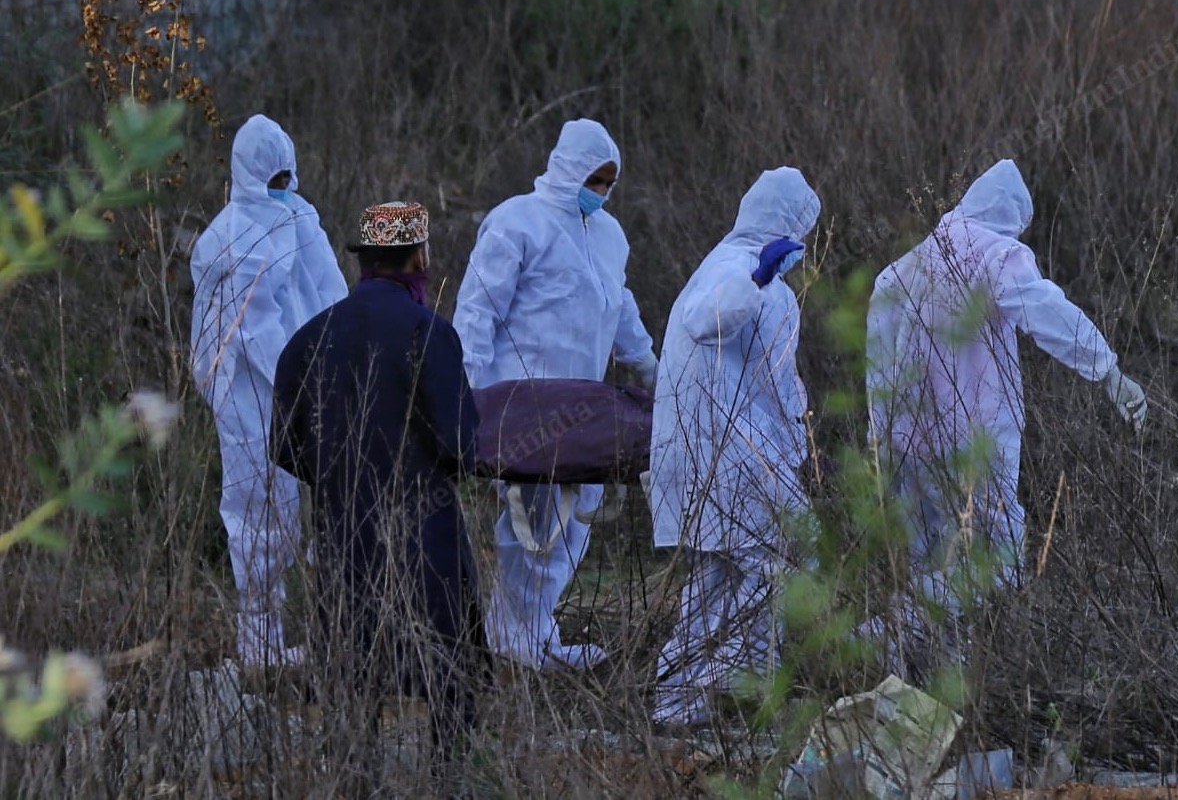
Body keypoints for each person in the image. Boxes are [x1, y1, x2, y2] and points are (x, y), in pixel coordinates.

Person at [865, 158, 1148, 667]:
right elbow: (1042, 308)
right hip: (977, 442)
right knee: (997, 561)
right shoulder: (995, 253)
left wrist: (883, 448)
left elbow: (877, 375)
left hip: (908, 450)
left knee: (934, 559)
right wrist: (1106, 368)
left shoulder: (897, 274)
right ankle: (890, 629)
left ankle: (929, 686)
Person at [271, 201, 489, 749]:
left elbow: (284, 446)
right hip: (426, 542)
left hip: (344, 539)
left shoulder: (308, 339)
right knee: (448, 677)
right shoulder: (429, 333)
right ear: (419, 257)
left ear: (364, 262)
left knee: (352, 674)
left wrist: (338, 479)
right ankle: (448, 782)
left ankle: (356, 781)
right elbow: (460, 446)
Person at [453, 117, 660, 671]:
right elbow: (477, 311)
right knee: (532, 523)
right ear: (568, 166)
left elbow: (620, 306)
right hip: (525, 405)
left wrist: (651, 369)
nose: (601, 191)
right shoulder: (517, 222)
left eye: (609, 182)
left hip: (584, 407)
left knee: (576, 523)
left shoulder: (610, 236)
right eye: (594, 178)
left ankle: (526, 630)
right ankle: (516, 639)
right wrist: (465, 394)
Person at [646, 166, 821, 726]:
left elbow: (772, 378)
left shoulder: (731, 268)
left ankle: (680, 698)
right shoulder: (736, 270)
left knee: (718, 574)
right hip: (726, 452)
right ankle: (726, 675)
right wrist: (757, 278)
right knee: (790, 557)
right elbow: (708, 321)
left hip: (715, 449)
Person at [189, 114, 348, 667]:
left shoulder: (301, 218)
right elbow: (247, 328)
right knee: (259, 501)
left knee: (327, 495)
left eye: (288, 176)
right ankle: (258, 639)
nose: (283, 187)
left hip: (309, 384)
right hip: (249, 393)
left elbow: (329, 291)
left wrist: (337, 362)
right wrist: (300, 379)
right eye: (272, 177)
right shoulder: (226, 237)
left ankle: (330, 627)